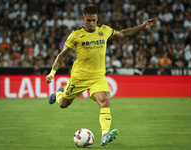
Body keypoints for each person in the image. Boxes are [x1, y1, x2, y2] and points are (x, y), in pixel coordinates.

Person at [45, 4, 158, 147]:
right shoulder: (75, 35)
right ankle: (59, 94)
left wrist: (142, 27)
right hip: (79, 77)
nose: (91, 24)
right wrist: (52, 72)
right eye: (88, 20)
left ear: (97, 19)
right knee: (63, 105)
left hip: (97, 77)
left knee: (104, 100)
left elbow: (123, 34)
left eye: (93, 20)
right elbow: (61, 56)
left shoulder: (104, 30)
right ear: (83, 19)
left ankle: (105, 135)